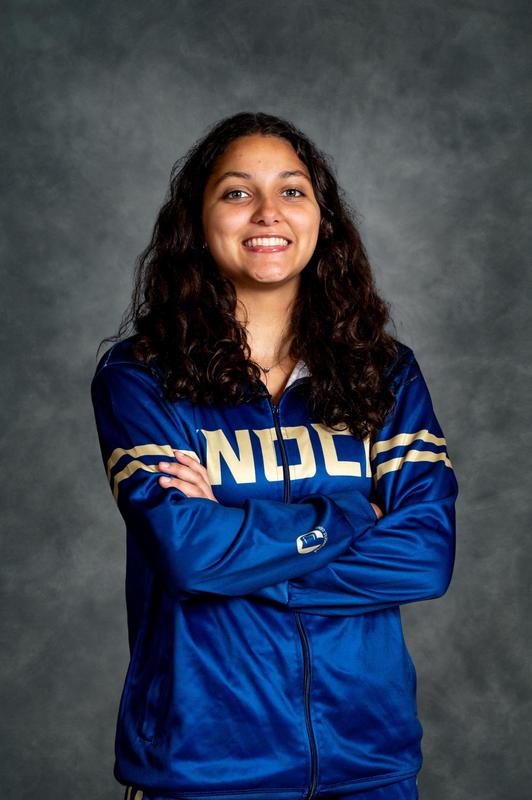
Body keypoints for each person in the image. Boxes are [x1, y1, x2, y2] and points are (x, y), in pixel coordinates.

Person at [91, 111, 458, 800]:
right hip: (203, 768)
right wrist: (350, 514)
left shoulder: (385, 372)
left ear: (322, 219)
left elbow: (425, 555)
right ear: (197, 221)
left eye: (292, 190)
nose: (268, 212)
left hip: (369, 764)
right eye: (237, 192)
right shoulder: (141, 377)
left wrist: (235, 551)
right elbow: (187, 556)